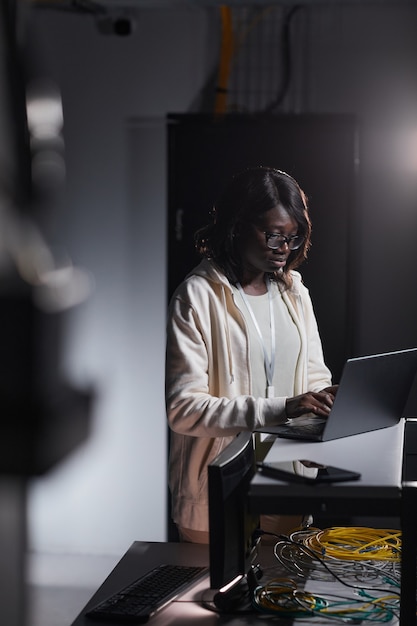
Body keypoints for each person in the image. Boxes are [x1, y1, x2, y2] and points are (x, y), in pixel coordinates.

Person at [165, 166, 337, 544]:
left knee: (281, 599)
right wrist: (284, 408)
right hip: (218, 493)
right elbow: (183, 409)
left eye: (293, 237)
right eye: (273, 234)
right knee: (216, 602)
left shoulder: (295, 294)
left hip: (288, 487)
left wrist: (326, 405)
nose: (283, 248)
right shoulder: (196, 296)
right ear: (237, 225)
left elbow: (314, 378)